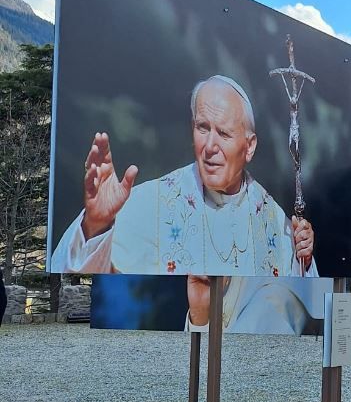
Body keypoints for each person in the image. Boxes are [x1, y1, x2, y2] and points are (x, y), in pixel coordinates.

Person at [49, 75, 315, 278]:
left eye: (223, 133)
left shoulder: (274, 221)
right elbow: (71, 272)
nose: (210, 146)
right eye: (202, 128)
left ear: (250, 146)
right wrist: (96, 225)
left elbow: (295, 303)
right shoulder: (149, 204)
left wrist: (304, 256)